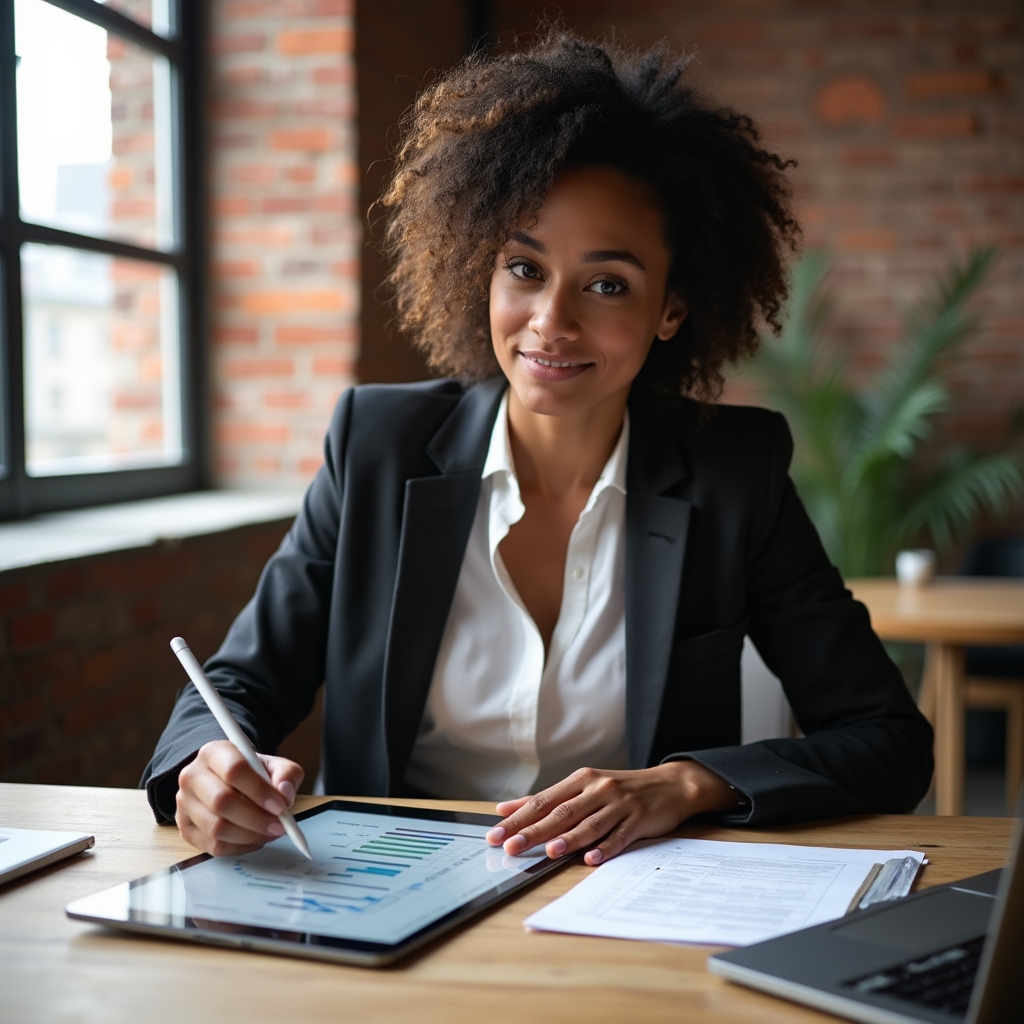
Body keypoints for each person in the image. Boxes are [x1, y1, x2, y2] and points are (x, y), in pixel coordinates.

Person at [143, 30, 933, 865]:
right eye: (524, 268)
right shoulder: (377, 444)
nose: (551, 321)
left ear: (672, 309)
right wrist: (207, 769)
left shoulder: (735, 474)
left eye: (606, 284)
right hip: (381, 886)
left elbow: (887, 739)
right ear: (481, 270)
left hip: (617, 900)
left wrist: (687, 782)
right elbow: (233, 686)